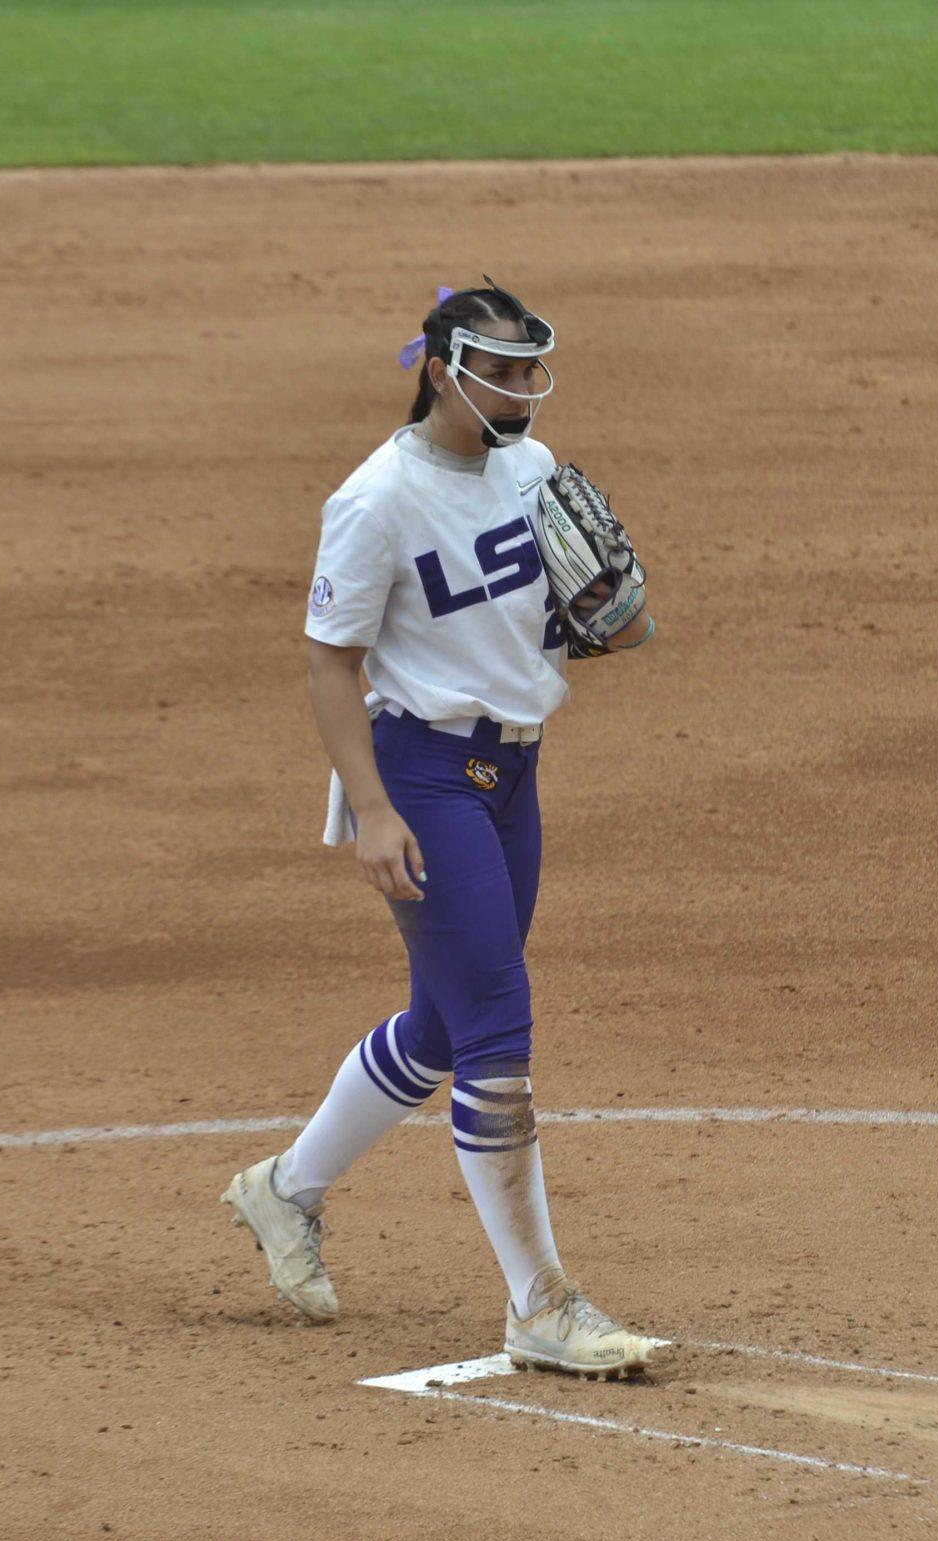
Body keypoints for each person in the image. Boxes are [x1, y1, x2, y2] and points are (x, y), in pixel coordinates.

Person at [221, 279, 660, 1379]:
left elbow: (560, 610)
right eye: (499, 372)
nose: (519, 391)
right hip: (422, 776)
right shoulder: (376, 499)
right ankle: (538, 1305)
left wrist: (608, 623)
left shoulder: (533, 468)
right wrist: (370, 810)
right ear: (439, 366)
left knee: (445, 1022)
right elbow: (331, 661)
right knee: (498, 1027)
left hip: (512, 772)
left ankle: (283, 1194)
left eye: (528, 371)